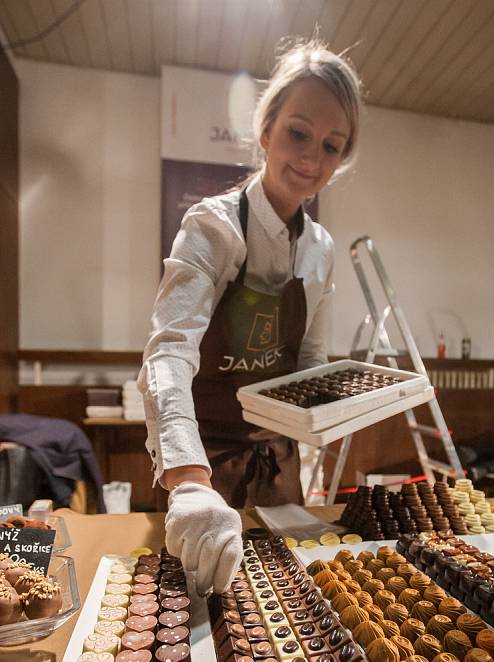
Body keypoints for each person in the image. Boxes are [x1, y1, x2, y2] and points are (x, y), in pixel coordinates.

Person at [138, 39, 362, 595]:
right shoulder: (211, 227)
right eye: (298, 132)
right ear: (266, 132)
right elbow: (168, 353)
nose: (312, 157)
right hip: (205, 464)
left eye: (332, 146)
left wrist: (336, 408)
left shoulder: (321, 249)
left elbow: (309, 360)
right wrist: (188, 482)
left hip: (277, 465)